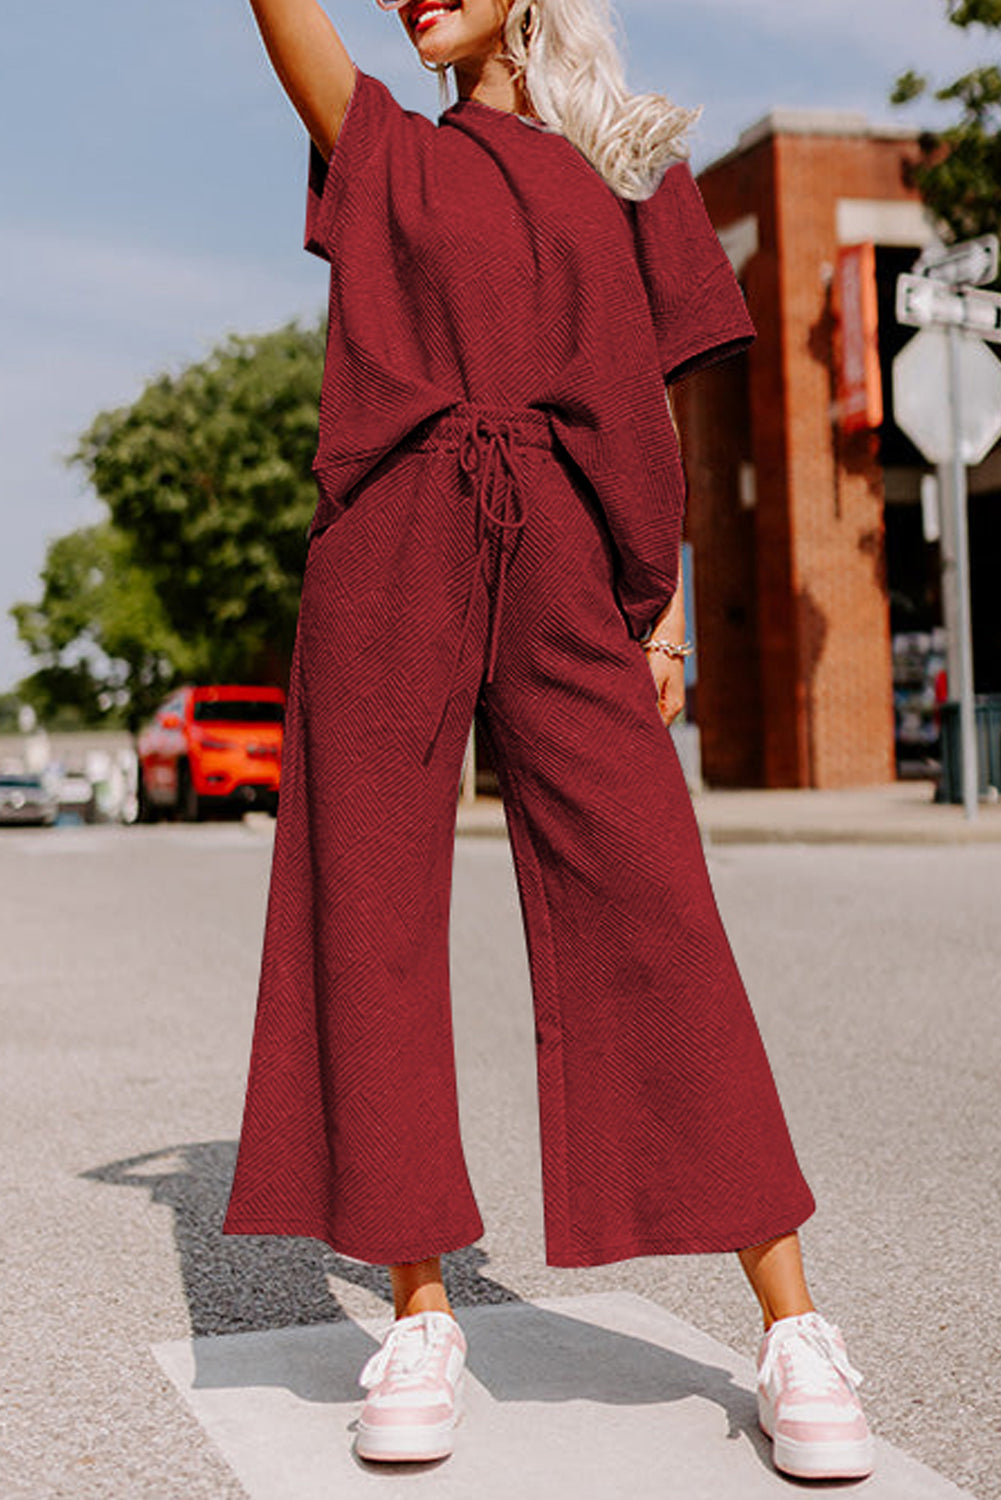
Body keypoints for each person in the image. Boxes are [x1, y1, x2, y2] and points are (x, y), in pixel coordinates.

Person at [224, 0, 875, 1481]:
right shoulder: (386, 146)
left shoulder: (635, 160)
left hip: (573, 553)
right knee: (369, 912)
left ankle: (790, 1322)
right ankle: (414, 1303)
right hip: (391, 540)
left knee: (653, 909)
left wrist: (663, 611)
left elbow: (654, 405)